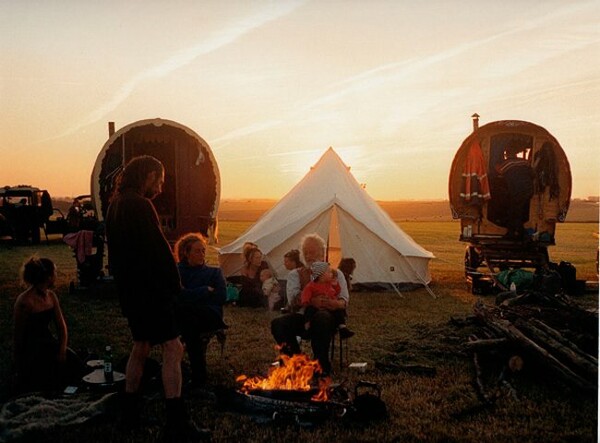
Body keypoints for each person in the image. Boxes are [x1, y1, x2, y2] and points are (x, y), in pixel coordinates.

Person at [105, 155, 209, 440]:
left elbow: (115, 256)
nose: (161, 187)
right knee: (173, 349)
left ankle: (129, 416)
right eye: (160, 180)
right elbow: (160, 252)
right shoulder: (140, 205)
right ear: (149, 175)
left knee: (140, 348)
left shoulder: (116, 205)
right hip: (151, 293)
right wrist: (176, 289)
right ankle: (176, 424)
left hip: (131, 293)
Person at [271, 234, 349, 375]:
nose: (308, 255)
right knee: (278, 324)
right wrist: (311, 298)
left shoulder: (336, 274)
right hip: (303, 316)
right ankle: (295, 363)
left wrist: (333, 303)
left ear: (322, 253)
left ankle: (321, 365)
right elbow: (293, 300)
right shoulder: (296, 274)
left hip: (329, 317)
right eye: (305, 252)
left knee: (321, 317)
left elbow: (344, 300)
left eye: (312, 252)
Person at [13, 257, 85, 393]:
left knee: (78, 367)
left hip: (49, 344)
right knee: (47, 383)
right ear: (48, 276)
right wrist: (19, 365)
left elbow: (62, 328)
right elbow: (18, 337)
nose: (56, 276)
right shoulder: (24, 302)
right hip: (33, 349)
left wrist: (62, 350)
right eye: (55, 273)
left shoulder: (51, 297)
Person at [174, 233, 228, 387]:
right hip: (188, 316)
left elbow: (221, 297)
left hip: (209, 315)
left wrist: (188, 295)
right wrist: (204, 291)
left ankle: (196, 374)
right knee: (189, 321)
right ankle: (199, 375)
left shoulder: (213, 272)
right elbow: (176, 295)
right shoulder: (177, 272)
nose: (202, 254)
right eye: (197, 251)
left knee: (186, 313)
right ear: (186, 252)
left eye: (203, 250)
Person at [301, 261, 354, 339]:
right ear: (321, 275)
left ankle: (342, 328)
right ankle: (307, 328)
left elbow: (337, 291)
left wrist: (335, 284)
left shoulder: (329, 284)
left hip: (329, 306)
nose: (331, 274)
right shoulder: (311, 285)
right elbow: (305, 293)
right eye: (329, 272)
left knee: (338, 311)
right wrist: (306, 301)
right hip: (316, 307)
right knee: (309, 311)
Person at [495, 142, 534, 240]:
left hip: (517, 191)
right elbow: (532, 173)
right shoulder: (524, 162)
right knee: (520, 211)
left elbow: (499, 171)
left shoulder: (507, 163)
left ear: (507, 154)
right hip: (528, 190)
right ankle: (519, 232)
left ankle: (514, 233)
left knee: (513, 211)